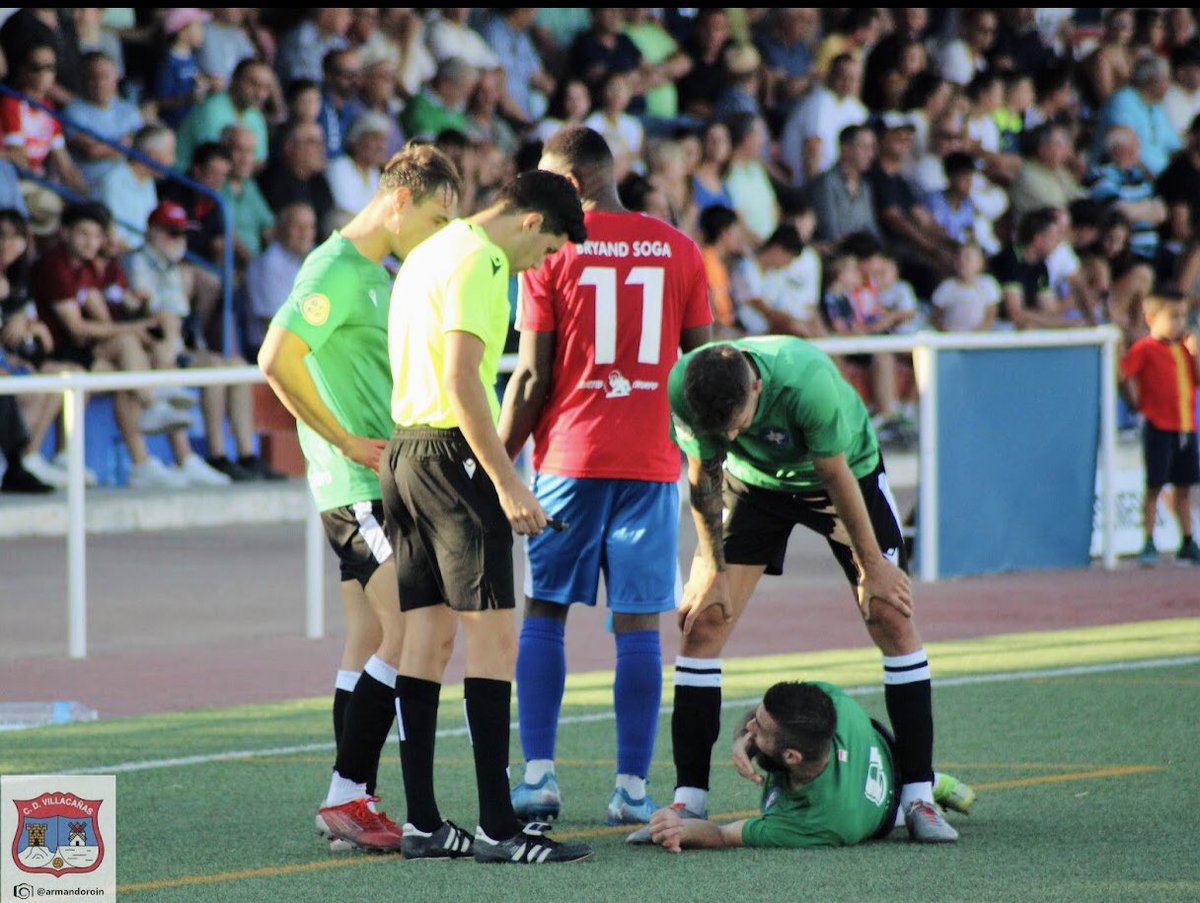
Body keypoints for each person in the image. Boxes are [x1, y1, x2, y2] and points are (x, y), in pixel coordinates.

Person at [649, 336, 959, 843]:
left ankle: (919, 795)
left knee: (888, 613)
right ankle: (689, 801)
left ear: (755, 384)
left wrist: (872, 567)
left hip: (840, 476)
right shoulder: (686, 384)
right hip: (755, 486)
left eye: (739, 422)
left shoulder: (805, 380)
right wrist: (710, 564)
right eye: (720, 428)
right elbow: (703, 470)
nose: (729, 433)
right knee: (703, 621)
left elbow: (835, 475)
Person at [497, 125, 713, 826]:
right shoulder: (680, 250)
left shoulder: (550, 250)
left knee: (548, 608)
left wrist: (496, 465)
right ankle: (630, 788)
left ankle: (539, 777)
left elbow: (530, 373)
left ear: (573, 180)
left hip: (569, 457)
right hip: (650, 464)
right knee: (638, 622)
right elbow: (701, 374)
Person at [381, 170, 592, 864]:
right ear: (530, 222)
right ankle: (500, 827)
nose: (544, 262)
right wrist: (506, 482)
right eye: (551, 245)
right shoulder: (484, 259)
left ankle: (422, 821)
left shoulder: (430, 250)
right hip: (453, 458)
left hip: (406, 453)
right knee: (495, 642)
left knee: (426, 639)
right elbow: (463, 378)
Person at [258, 144, 464, 853]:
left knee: (370, 637)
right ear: (400, 200)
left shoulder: (376, 273)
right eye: (438, 217)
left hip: (378, 481)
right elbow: (275, 355)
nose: (440, 234)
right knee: (410, 630)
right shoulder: (336, 267)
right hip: (358, 488)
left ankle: (356, 798)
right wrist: (346, 441)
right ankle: (346, 793)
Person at [635, 679, 976, 851]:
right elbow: (770, 720)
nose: (750, 728)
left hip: (881, 815)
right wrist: (746, 737)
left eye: (759, 729)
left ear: (792, 758)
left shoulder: (816, 821)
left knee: (891, 814)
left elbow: (724, 835)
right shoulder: (830, 707)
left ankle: (929, 785)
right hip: (879, 747)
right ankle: (928, 782)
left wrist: (676, 828)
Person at [1120, 293, 1200, 566]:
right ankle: (1148, 539)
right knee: (1154, 485)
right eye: (1174, 316)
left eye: (1183, 317)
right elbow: (1123, 373)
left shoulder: (1183, 350)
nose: (1180, 323)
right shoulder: (1145, 348)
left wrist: (1195, 353)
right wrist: (1136, 403)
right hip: (1158, 425)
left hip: (1186, 426)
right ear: (1152, 318)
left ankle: (1187, 539)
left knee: (1184, 486)